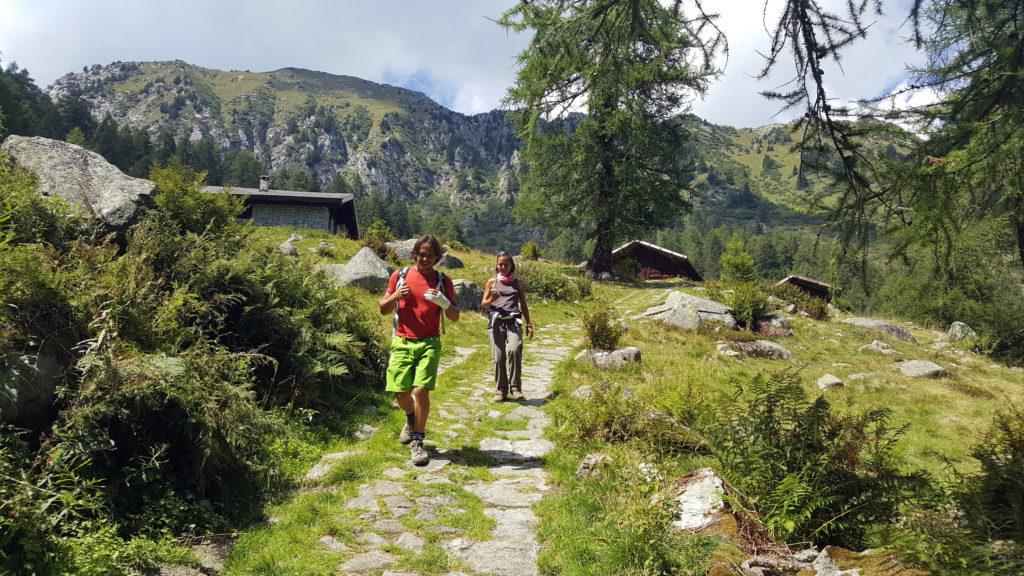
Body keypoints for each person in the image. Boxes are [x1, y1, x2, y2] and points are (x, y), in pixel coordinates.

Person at [378, 235, 459, 465]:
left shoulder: (443, 280)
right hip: (402, 341)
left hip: (429, 343)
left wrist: (444, 302)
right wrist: (396, 295)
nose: (424, 259)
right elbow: (383, 309)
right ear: (414, 254)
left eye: (429, 255)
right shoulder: (400, 275)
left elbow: (455, 316)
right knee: (401, 394)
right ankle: (411, 417)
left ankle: (418, 441)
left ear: (437, 258)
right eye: (421, 254)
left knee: (421, 391)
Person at [480, 251, 533, 402]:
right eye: (500, 264)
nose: (503, 267)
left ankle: (515, 388)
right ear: (496, 265)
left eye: (506, 264)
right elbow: (483, 304)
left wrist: (529, 323)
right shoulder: (492, 282)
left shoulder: (518, 283)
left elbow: (523, 304)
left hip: (513, 322)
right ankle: (501, 390)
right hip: (496, 322)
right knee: (498, 357)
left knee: (515, 350)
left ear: (511, 266)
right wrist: (491, 299)